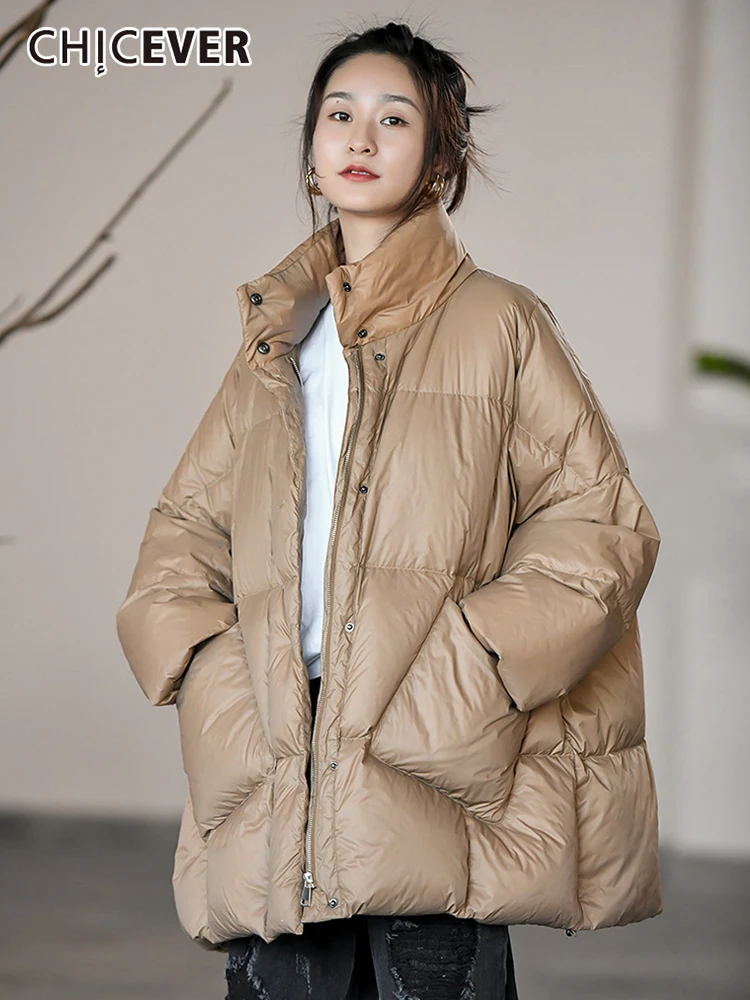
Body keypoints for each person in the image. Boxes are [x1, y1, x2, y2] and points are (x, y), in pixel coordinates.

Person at [115, 20, 662, 1000]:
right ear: (312, 150)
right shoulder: (276, 344)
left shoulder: (500, 322)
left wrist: (476, 667)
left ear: (441, 157)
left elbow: (599, 525)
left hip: (432, 755)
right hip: (286, 759)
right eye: (339, 114)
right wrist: (211, 675)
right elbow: (184, 533)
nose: (361, 138)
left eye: (394, 118)